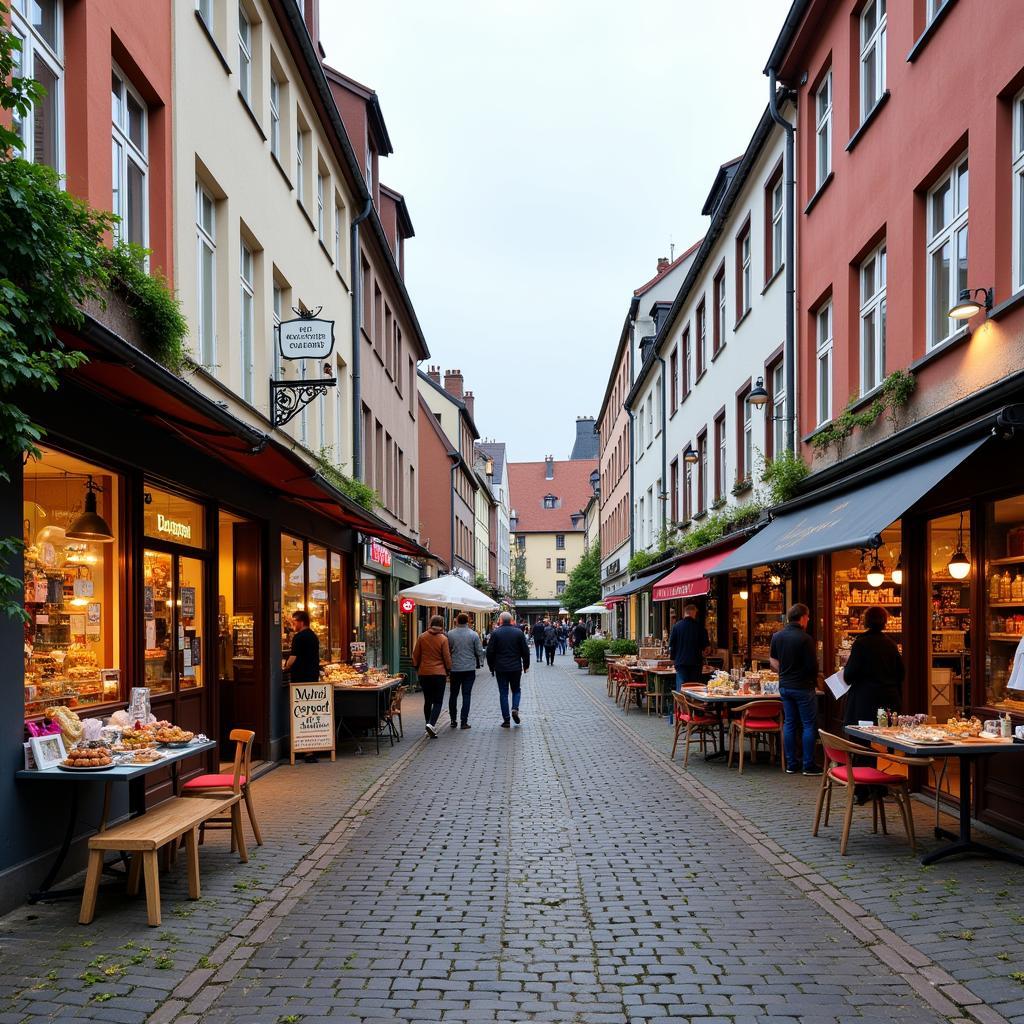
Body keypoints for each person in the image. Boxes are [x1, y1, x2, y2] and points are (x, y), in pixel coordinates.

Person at [770, 603, 822, 776]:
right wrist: (814, 680)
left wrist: (784, 672)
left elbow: (773, 661)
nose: (808, 620)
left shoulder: (777, 636)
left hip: (785, 686)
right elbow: (812, 666)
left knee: (790, 723)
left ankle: (791, 764)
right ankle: (808, 765)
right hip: (803, 687)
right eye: (808, 617)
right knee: (808, 724)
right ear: (802, 617)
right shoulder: (805, 638)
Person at [842, 606, 905, 726]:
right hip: (888, 700)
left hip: (865, 702)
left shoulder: (861, 643)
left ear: (866, 621)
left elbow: (849, 675)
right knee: (887, 735)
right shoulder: (891, 644)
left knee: (862, 738)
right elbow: (901, 674)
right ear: (884, 622)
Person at [282, 609, 322, 762]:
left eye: (294, 622)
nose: (292, 625)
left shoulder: (299, 638)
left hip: (300, 679)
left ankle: (306, 751)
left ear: (301, 622)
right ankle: (310, 749)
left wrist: (285, 667)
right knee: (310, 713)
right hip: (312, 677)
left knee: (301, 714)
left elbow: (293, 657)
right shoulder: (313, 636)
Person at [486, 610, 530, 726]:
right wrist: (526, 666)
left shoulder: (495, 633)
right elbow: (525, 651)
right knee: (516, 690)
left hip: (500, 668)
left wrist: (491, 667)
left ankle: (506, 720)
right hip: (515, 667)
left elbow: (489, 652)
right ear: (511, 621)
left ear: (500, 621)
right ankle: (515, 708)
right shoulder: (518, 633)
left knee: (503, 693)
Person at [667, 603, 710, 723]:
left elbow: (671, 646)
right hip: (695, 663)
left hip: (680, 663)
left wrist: (673, 659)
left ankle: (682, 716)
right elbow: (706, 648)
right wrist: (704, 654)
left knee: (682, 690)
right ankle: (696, 713)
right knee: (695, 690)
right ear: (693, 612)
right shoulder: (700, 627)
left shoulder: (676, 627)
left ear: (685, 612)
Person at [412, 615, 451, 738]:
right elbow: (446, 657)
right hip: (439, 674)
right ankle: (431, 724)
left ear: (430, 623)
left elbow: (415, 654)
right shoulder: (443, 639)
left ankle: (427, 724)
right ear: (442, 625)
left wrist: (417, 668)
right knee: (438, 701)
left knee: (427, 700)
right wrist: (449, 670)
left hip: (424, 673)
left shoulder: (422, 637)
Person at [447, 613, 485, 730]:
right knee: (466, 695)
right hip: (469, 668)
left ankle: (453, 720)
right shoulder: (473, 635)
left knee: (453, 694)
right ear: (468, 621)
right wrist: (481, 662)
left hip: (455, 668)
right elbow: (479, 650)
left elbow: (447, 650)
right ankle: (464, 721)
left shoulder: (450, 634)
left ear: (457, 621)